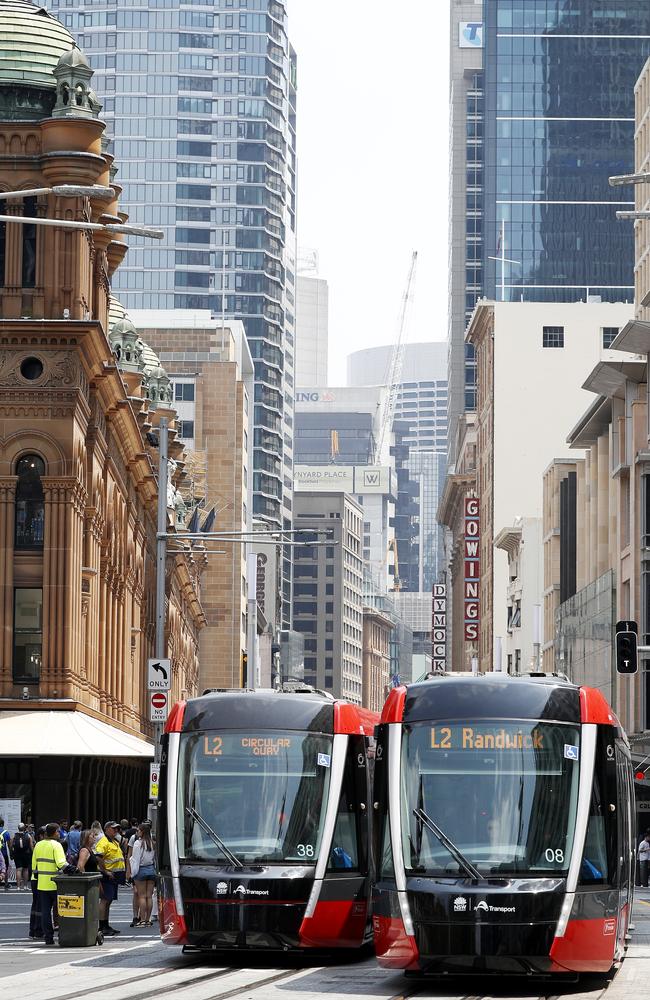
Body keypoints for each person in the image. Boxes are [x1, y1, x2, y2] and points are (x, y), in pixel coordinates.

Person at [31, 823, 66, 945]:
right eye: (58, 831)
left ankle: (48, 938)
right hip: (56, 883)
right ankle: (63, 935)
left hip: (42, 884)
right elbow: (62, 864)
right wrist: (73, 869)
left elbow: (34, 866)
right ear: (54, 832)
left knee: (45, 912)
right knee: (62, 910)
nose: (59, 833)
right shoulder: (56, 845)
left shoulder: (38, 845)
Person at [94, 821, 126, 936]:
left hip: (114, 875)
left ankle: (106, 925)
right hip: (107, 875)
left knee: (109, 900)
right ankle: (102, 926)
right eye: (113, 829)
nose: (116, 831)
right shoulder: (104, 841)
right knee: (105, 900)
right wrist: (105, 871)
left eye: (117, 829)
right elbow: (99, 857)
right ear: (107, 829)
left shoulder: (114, 841)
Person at [130, 823, 156, 927]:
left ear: (142, 832)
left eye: (138, 831)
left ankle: (142, 919)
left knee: (141, 896)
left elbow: (135, 859)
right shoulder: (152, 843)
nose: (137, 832)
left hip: (141, 870)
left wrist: (133, 873)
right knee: (149, 896)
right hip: (151, 869)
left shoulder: (138, 843)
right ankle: (148, 919)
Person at [29, 827, 45, 940]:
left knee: (36, 905)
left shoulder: (37, 846)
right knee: (39, 906)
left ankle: (33, 929)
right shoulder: (41, 846)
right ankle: (38, 929)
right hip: (40, 879)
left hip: (35, 878)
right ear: (41, 835)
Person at [12, 823, 33, 891]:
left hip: (17, 854)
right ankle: (25, 886)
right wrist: (32, 853)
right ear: (24, 828)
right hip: (26, 854)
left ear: (18, 828)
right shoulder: (28, 835)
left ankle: (18, 887)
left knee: (18, 869)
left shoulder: (14, 836)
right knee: (26, 869)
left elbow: (11, 845)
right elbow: (31, 845)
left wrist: (11, 853)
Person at [0, 818, 11, 891]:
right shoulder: (6, 832)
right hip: (3, 853)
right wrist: (11, 853)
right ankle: (6, 883)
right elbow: (9, 845)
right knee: (5, 868)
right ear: (2, 824)